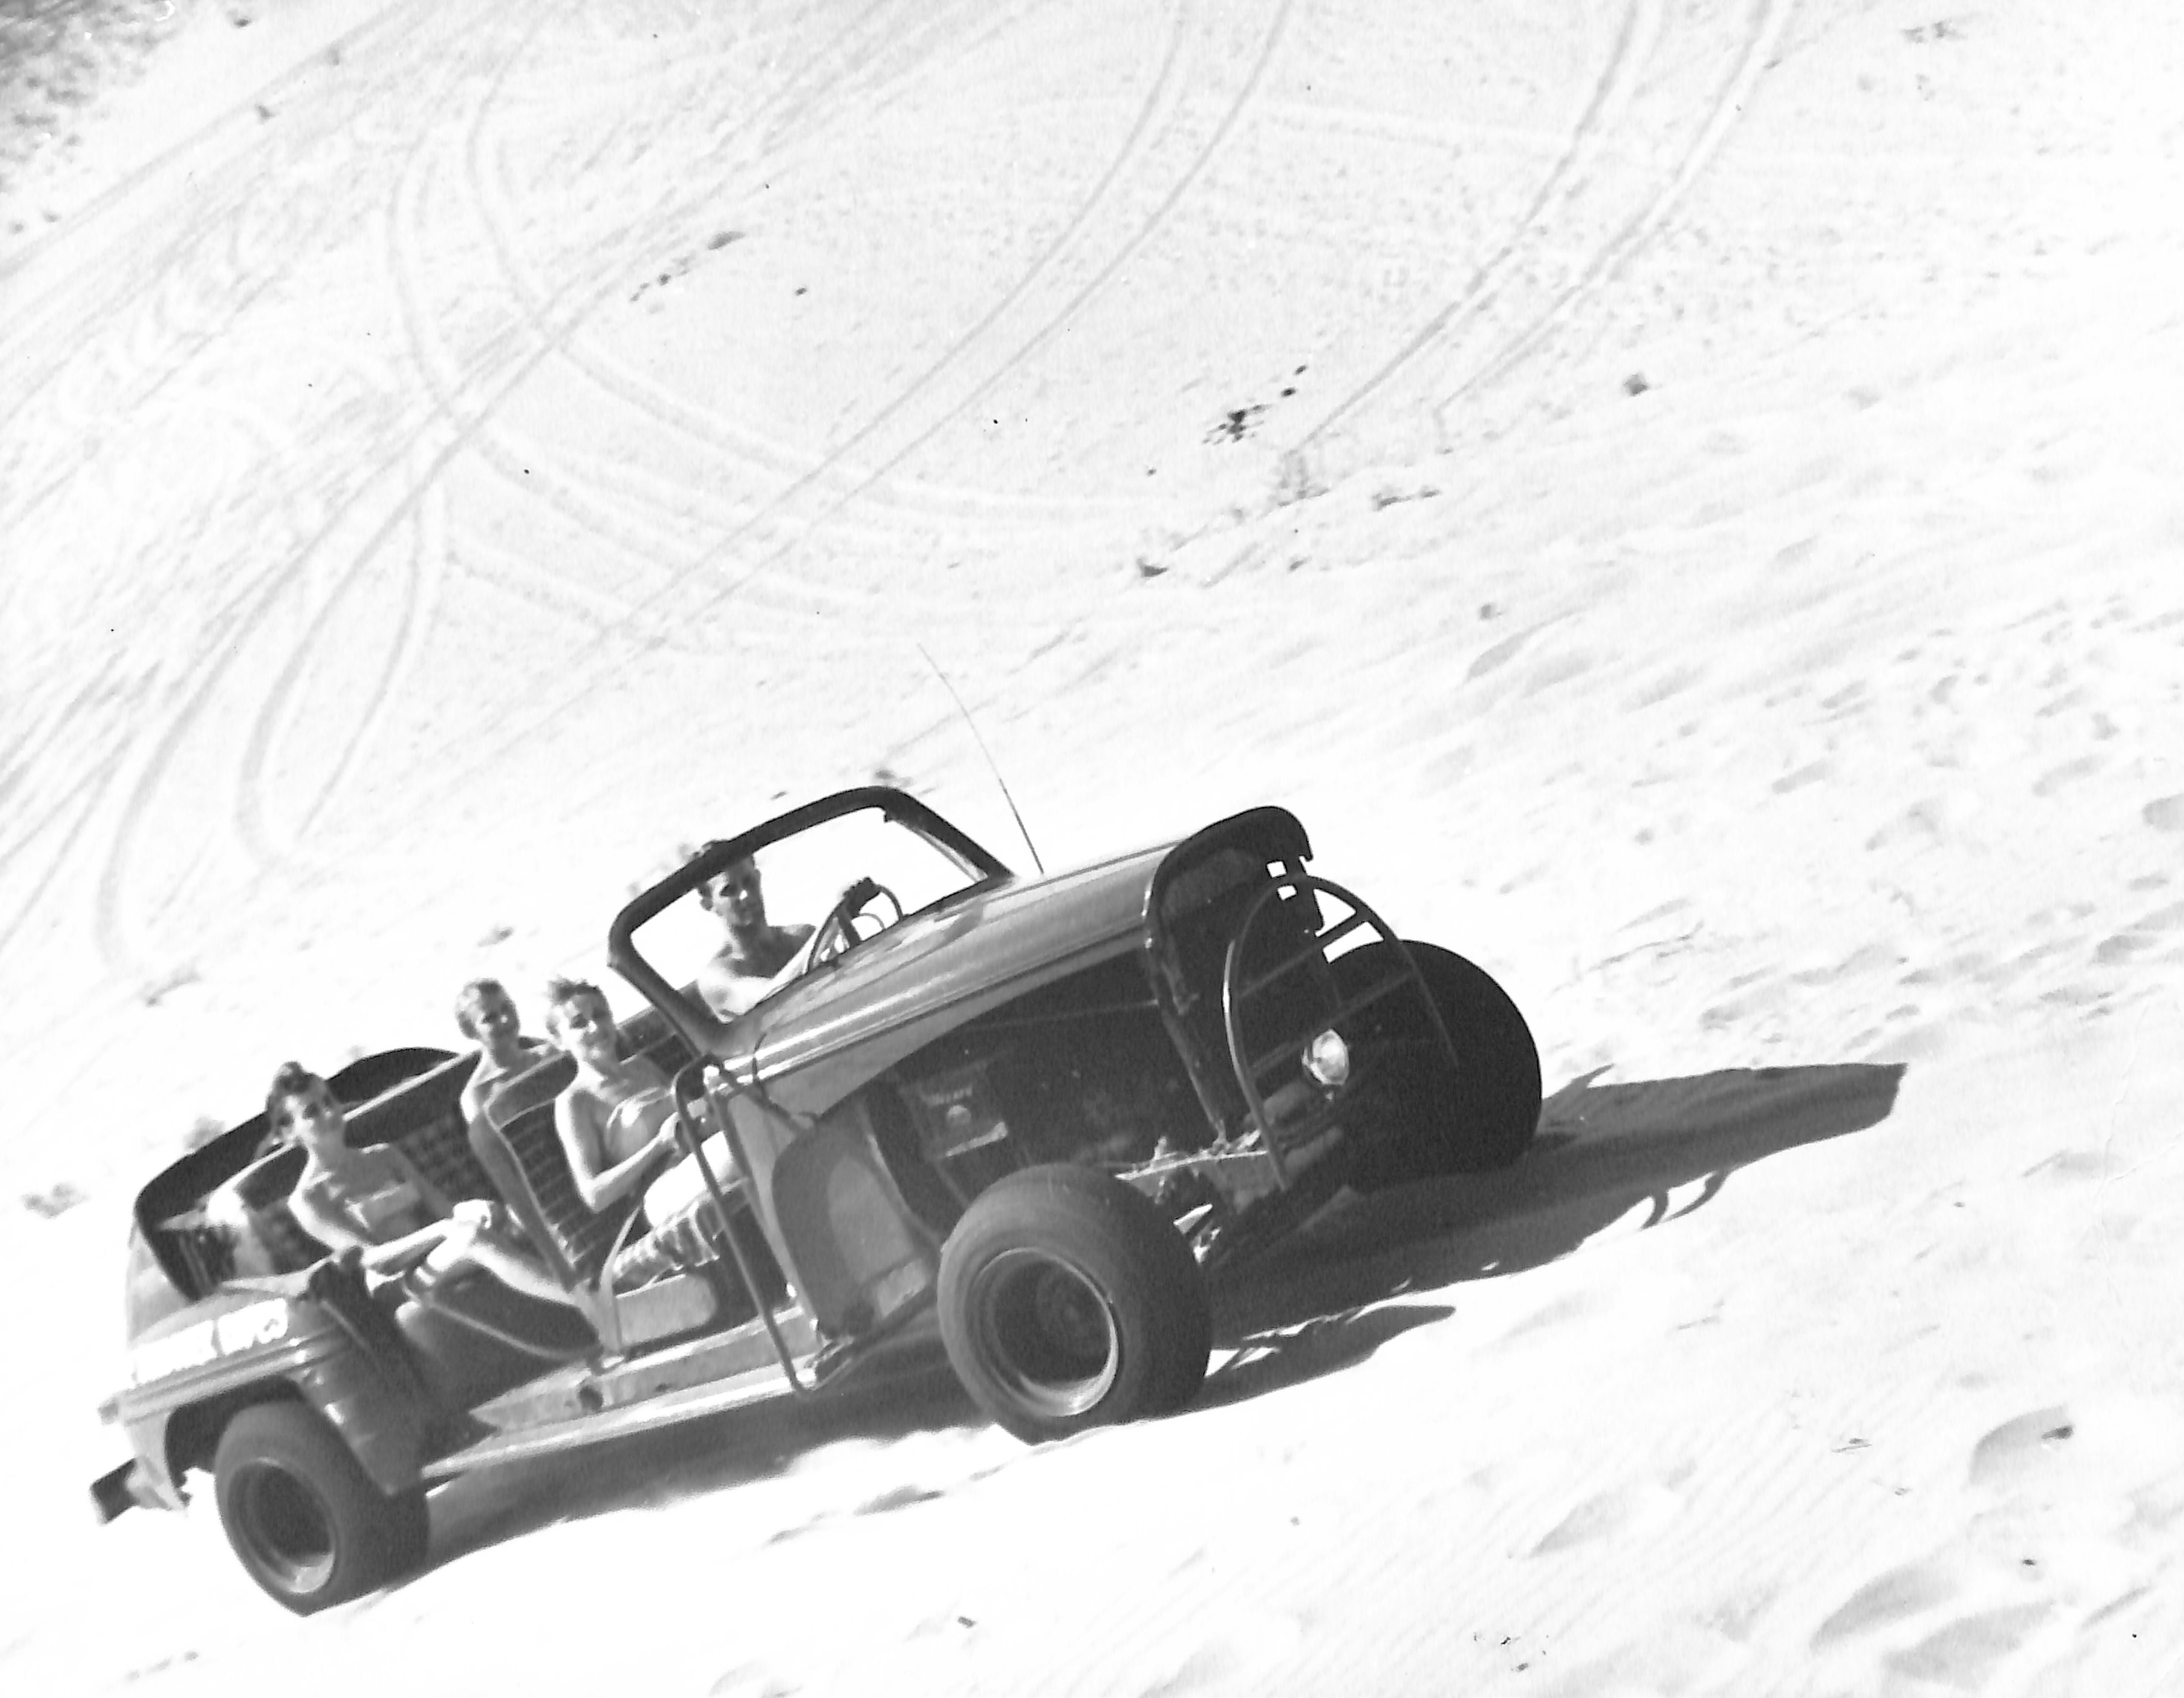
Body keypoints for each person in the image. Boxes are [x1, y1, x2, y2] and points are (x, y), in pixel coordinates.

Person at [272, 1061, 574, 1305]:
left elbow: (444, 1208)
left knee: (519, 1214)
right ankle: (587, 1304)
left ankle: (601, 1276)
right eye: (312, 1112)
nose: (329, 1112)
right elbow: (369, 1257)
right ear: (289, 1133)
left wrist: (471, 1210)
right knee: (470, 1239)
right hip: (395, 1280)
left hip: (440, 1250)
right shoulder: (309, 1198)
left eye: (328, 1100)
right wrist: (445, 1230)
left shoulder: (383, 1155)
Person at [545, 977, 744, 1288]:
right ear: (560, 1040)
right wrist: (658, 1146)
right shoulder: (576, 1102)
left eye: (601, 1015)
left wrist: (708, 1110)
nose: (596, 1028)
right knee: (743, 1146)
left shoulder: (641, 1067)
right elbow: (594, 1195)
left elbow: (687, 1115)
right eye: (579, 1024)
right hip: (658, 1193)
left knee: (758, 1121)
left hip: (698, 1161)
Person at [695, 856, 815, 1019]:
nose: (745, 895)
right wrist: (818, 945)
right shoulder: (718, 977)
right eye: (730, 890)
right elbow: (770, 998)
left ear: (758, 878)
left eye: (749, 882)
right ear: (709, 905)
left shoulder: (803, 936)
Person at [455, 978, 552, 1124]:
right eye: (490, 1018)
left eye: (507, 1008)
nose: (505, 1020)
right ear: (470, 1031)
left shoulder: (549, 1057)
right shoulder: (479, 1094)